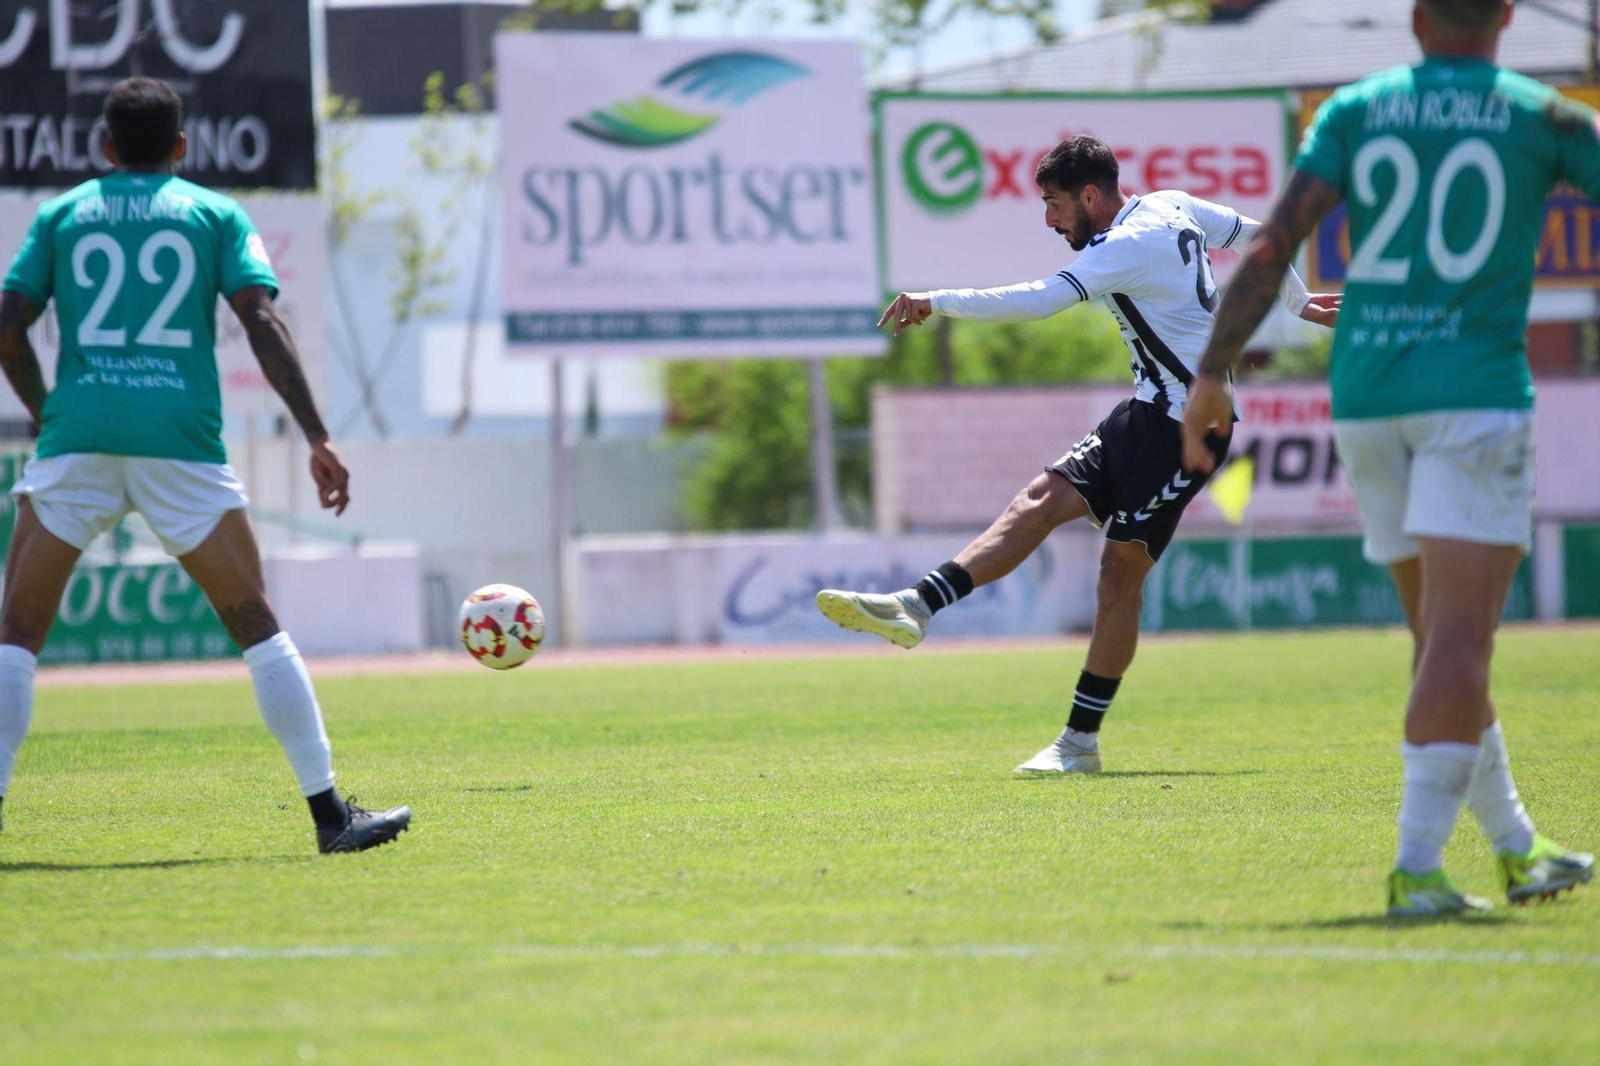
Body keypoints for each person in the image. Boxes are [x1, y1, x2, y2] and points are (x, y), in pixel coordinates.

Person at [1181, 0, 1597, 915]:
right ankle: (1415, 867)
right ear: (1508, 16)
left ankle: (1518, 847)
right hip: (1474, 399)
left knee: (1437, 642)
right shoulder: (1549, 113)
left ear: (1413, 19)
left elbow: (1274, 242)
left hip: (1368, 395)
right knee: (1459, 642)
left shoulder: (1356, 107)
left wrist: (1213, 372)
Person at [816, 134, 1339, 774]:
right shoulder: (1170, 205)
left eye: (1055, 203)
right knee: (1037, 502)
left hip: (1191, 431)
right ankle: (916, 607)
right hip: (1146, 411)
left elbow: (1039, 300)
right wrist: (1300, 302)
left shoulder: (1126, 246)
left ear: (1091, 195)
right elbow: (1266, 235)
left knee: (1119, 576)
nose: (1050, 218)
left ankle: (1079, 743)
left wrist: (938, 299)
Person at [0, 78, 410, 854]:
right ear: (182, 147)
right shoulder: (213, 213)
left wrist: (45, 407)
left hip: (77, 438)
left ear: (105, 147)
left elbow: (8, 325)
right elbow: (259, 317)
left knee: (17, 635)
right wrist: (317, 435)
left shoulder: (62, 214)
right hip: (179, 443)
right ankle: (329, 818)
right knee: (255, 623)